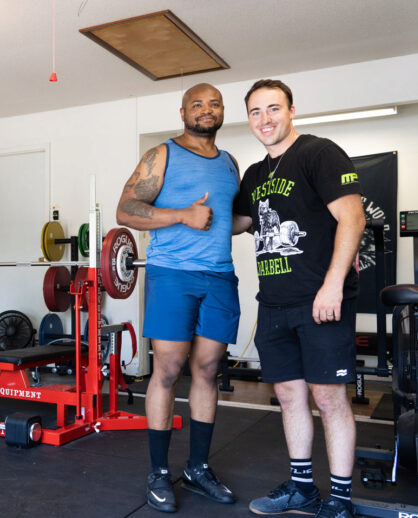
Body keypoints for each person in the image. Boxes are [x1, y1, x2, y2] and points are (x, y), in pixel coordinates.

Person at [233, 79, 366, 518]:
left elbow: (353, 217)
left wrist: (332, 284)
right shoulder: (255, 175)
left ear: (291, 110)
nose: (265, 119)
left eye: (273, 108)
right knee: (289, 398)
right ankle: (303, 489)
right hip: (273, 305)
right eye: (255, 111)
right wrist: (183, 211)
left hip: (319, 301)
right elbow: (239, 222)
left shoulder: (318, 153)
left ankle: (341, 499)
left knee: (329, 399)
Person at [116, 83, 240, 513]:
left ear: (223, 112)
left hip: (220, 277)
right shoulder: (161, 154)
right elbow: (126, 209)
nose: (207, 110)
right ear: (183, 111)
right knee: (167, 368)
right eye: (198, 104)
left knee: (207, 368)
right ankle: (157, 472)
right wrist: (182, 215)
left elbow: (228, 220)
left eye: (214, 104)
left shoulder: (229, 163)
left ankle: (198, 468)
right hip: (172, 275)